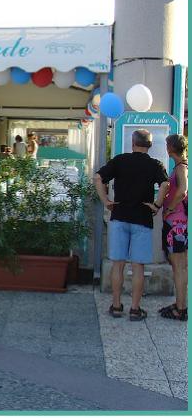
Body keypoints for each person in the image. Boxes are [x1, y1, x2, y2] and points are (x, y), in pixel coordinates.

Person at [95, 130, 169, 321]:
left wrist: (106, 201)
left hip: (119, 216)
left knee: (118, 265)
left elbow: (98, 178)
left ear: (133, 143)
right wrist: (157, 205)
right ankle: (135, 309)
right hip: (142, 218)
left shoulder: (120, 160)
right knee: (138, 268)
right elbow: (165, 185)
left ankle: (117, 306)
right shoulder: (155, 164)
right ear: (150, 145)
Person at [157, 134, 188, 321]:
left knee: (179, 267)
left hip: (176, 223)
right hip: (182, 223)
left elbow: (182, 190)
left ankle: (181, 308)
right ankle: (180, 304)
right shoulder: (183, 165)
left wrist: (168, 209)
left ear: (170, 148)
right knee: (181, 266)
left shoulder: (181, 168)